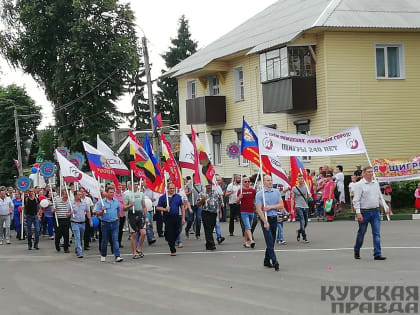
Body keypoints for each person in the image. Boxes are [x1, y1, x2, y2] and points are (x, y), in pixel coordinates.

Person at [353, 166, 389, 260]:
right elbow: (356, 200)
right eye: (368, 172)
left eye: (371, 172)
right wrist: (358, 213)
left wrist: (385, 206)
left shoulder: (375, 183)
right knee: (361, 233)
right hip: (364, 212)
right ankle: (357, 249)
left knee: (376, 233)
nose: (371, 173)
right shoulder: (359, 185)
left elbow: (379, 197)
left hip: (375, 211)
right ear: (363, 174)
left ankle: (377, 253)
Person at [255, 175, 283, 271]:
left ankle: (266, 260)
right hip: (265, 219)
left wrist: (270, 207)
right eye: (267, 180)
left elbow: (281, 205)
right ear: (264, 182)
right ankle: (274, 261)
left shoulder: (276, 192)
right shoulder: (260, 194)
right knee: (269, 240)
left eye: (270, 180)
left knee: (271, 241)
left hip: (274, 218)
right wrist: (265, 222)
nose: (270, 182)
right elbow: (259, 209)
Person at [96, 187, 123, 263]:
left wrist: (118, 220)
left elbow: (118, 212)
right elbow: (97, 213)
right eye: (110, 192)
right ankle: (103, 255)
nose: (112, 194)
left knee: (115, 240)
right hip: (105, 224)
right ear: (107, 193)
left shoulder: (116, 202)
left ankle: (117, 255)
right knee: (105, 240)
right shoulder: (102, 202)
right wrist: (102, 210)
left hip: (114, 223)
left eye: (113, 192)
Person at [157, 183, 185, 256]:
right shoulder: (163, 197)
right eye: (170, 188)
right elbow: (158, 207)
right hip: (167, 217)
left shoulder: (178, 197)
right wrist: (164, 209)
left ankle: (170, 238)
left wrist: (183, 218)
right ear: (167, 189)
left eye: (173, 188)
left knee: (177, 231)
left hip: (176, 216)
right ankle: (172, 249)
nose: (172, 190)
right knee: (170, 233)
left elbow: (182, 207)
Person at [124, 182, 148, 259]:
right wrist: (130, 205)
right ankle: (134, 252)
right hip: (132, 215)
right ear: (130, 185)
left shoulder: (141, 194)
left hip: (140, 214)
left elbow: (144, 206)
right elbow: (124, 207)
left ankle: (139, 248)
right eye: (134, 184)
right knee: (133, 235)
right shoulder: (128, 195)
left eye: (137, 184)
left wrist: (146, 217)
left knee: (143, 233)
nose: (136, 186)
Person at [197, 184, 222, 251]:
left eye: (210, 187)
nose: (209, 188)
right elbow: (198, 204)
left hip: (214, 213)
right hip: (205, 212)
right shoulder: (202, 193)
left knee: (210, 229)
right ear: (205, 186)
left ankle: (208, 244)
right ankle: (212, 244)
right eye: (208, 187)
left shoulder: (216, 193)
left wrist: (220, 212)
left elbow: (219, 203)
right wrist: (202, 199)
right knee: (207, 228)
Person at [69, 191, 92, 258]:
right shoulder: (71, 204)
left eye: (81, 194)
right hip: (74, 222)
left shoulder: (84, 203)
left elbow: (87, 211)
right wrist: (70, 213)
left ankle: (77, 248)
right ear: (75, 196)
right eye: (79, 194)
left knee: (81, 238)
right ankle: (80, 252)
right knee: (77, 237)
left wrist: (90, 220)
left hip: (82, 223)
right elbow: (67, 214)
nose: (80, 196)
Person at [236, 176, 256, 248]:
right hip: (244, 211)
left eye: (248, 181)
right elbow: (237, 202)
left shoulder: (253, 190)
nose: (247, 183)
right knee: (248, 226)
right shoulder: (240, 190)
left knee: (248, 228)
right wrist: (239, 198)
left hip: (251, 211)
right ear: (243, 182)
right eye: (245, 181)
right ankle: (251, 240)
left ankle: (245, 242)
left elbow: (255, 200)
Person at [291, 174, 311, 243]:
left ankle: (299, 231)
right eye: (299, 179)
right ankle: (304, 237)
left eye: (302, 179)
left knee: (306, 223)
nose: (300, 180)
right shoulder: (294, 188)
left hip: (305, 206)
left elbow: (308, 198)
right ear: (297, 180)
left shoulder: (306, 187)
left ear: (303, 180)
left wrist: (309, 196)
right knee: (302, 220)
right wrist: (291, 209)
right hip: (298, 206)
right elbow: (292, 199)